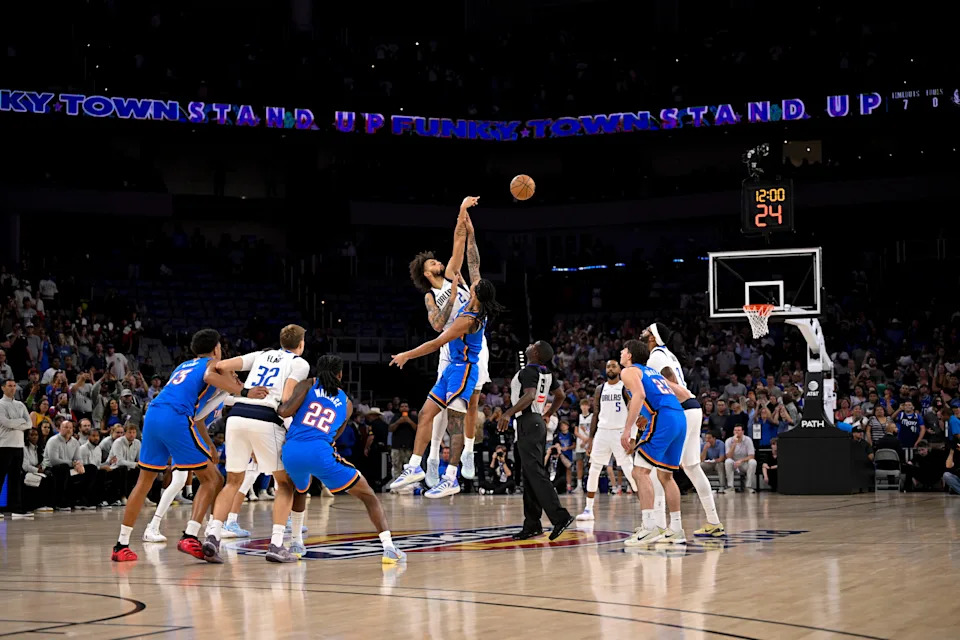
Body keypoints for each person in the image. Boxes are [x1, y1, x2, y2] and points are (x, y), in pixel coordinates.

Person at [110, 329, 268, 562]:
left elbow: (199, 417)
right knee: (213, 479)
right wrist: (245, 391)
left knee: (144, 481)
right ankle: (190, 536)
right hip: (175, 418)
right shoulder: (213, 365)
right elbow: (209, 377)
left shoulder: (183, 366)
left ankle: (121, 545)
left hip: (153, 414)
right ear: (216, 348)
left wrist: (209, 446)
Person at [271, 354, 406, 564]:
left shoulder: (308, 384)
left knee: (300, 489)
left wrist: (276, 404)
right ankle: (389, 548)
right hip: (319, 451)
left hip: (291, 451)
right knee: (369, 496)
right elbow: (335, 435)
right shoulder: (347, 402)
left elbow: (285, 411)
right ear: (340, 374)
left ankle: (296, 543)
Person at [388, 273, 504, 499]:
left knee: (455, 422)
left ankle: (451, 477)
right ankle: (414, 466)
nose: (471, 284)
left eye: (474, 285)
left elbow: (436, 343)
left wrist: (406, 355)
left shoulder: (469, 319)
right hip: (452, 368)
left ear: (476, 294)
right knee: (425, 414)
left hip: (464, 370)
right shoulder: (471, 303)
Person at [203, 324, 310, 564]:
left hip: (237, 415)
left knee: (232, 481)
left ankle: (212, 535)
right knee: (284, 483)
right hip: (265, 418)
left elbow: (219, 366)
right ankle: (276, 543)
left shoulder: (260, 355)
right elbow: (285, 397)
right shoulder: (299, 363)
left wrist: (243, 389)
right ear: (301, 344)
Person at [408, 196, 487, 489]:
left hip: (475, 342)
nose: (438, 261)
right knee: (439, 407)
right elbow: (438, 325)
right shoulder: (431, 295)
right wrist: (452, 297)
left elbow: (460, 241)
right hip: (448, 346)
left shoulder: (456, 273)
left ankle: (467, 452)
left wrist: (462, 211)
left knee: (472, 401)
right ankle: (430, 459)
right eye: (432, 262)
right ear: (427, 272)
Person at [641, 323, 724, 537]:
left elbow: (671, 382)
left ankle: (659, 525)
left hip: (681, 409)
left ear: (653, 337)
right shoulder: (668, 354)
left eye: (646, 331)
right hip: (693, 408)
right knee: (692, 467)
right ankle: (713, 521)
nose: (642, 333)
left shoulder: (656, 357)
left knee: (656, 468)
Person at [497, 341, 576, 541]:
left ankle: (560, 516)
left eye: (534, 344)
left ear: (536, 353)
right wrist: (548, 413)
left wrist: (508, 413)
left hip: (527, 422)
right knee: (530, 475)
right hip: (536, 423)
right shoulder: (547, 373)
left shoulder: (529, 370)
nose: (530, 344)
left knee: (536, 474)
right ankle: (532, 524)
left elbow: (530, 395)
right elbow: (560, 395)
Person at [618, 339, 688, 546]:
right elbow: (684, 394)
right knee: (666, 475)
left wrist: (627, 430)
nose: (621, 353)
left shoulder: (629, 372)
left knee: (639, 472)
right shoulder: (653, 373)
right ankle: (676, 529)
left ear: (629, 355)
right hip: (679, 417)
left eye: (623, 350)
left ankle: (649, 527)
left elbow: (639, 394)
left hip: (664, 418)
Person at [576, 360, 638, 522]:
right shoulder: (600, 389)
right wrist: (591, 438)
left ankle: (644, 505)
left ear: (619, 369)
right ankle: (588, 509)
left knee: (628, 467)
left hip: (619, 432)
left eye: (613, 366)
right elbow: (596, 413)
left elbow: (634, 411)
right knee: (594, 468)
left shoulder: (625, 387)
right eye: (608, 367)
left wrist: (631, 436)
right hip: (602, 432)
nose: (610, 369)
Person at [1, 378, 34, 518]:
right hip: (4, 445)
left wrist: (18, 423)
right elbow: (6, 422)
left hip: (18, 445)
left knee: (16, 478)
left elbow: (30, 423)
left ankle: (16, 507)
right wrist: (21, 422)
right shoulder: (1, 404)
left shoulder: (20, 405)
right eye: (9, 386)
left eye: (14, 386)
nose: (12, 388)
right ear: (3, 388)